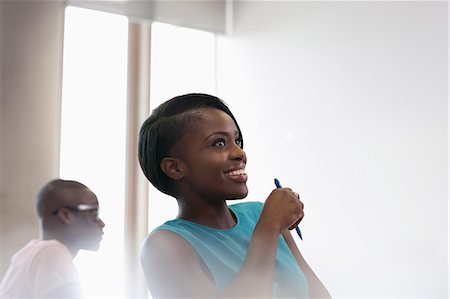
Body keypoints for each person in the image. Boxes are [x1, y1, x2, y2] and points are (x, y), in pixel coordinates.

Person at [138, 93, 331, 298]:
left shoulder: (259, 213)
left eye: (237, 140)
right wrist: (269, 228)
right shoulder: (164, 246)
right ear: (174, 168)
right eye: (219, 143)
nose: (240, 153)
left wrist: (269, 223)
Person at [0, 179, 105, 298]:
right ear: (65, 215)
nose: (102, 223)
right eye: (94, 213)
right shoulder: (51, 253)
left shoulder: (32, 253)